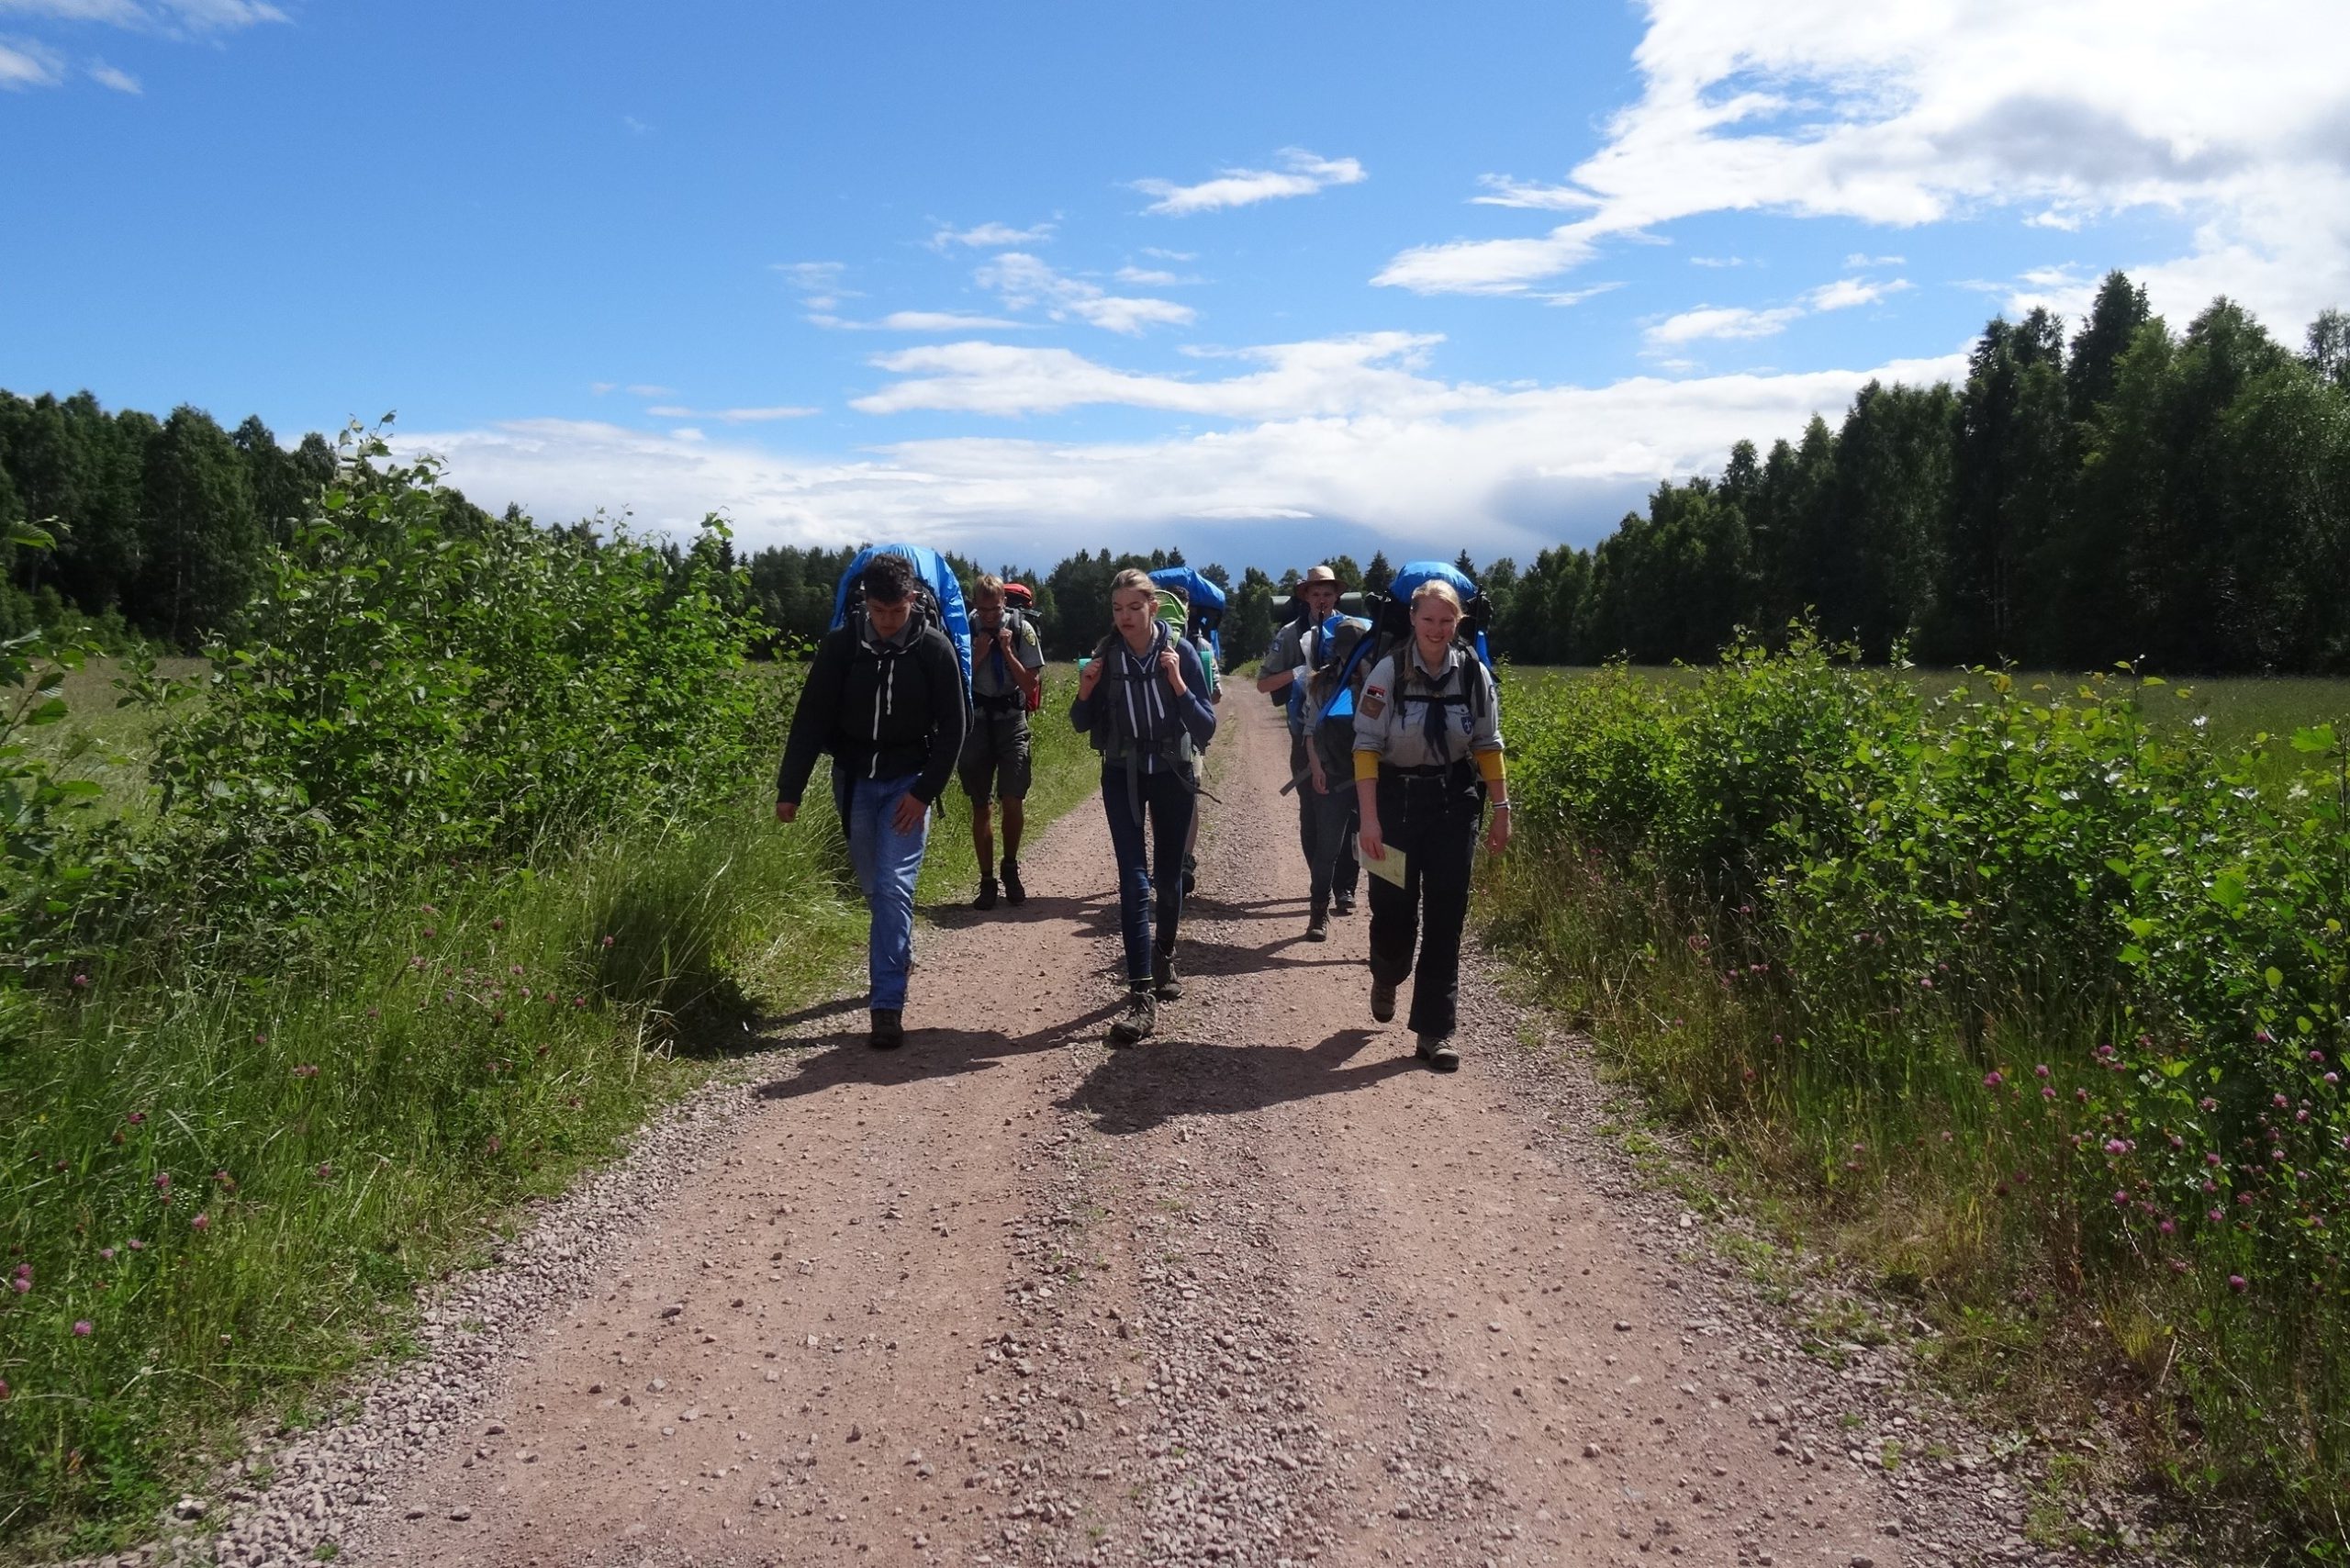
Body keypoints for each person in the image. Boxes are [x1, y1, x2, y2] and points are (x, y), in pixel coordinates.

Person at [774, 552, 968, 1049]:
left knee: (891, 886)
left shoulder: (934, 649)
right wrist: (789, 789)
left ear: (911, 599)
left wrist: (924, 793)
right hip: (856, 782)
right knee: (873, 886)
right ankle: (897, 947)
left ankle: (886, 1005)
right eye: (877, 612)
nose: (885, 623)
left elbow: (955, 729)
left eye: (894, 612)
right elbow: (811, 717)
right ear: (865, 603)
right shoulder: (842, 647)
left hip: (909, 783)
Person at [1351, 577, 1511, 1071]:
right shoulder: (1388, 670)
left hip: (1453, 803)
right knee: (1393, 912)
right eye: (1428, 620)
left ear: (1458, 621)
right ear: (1413, 619)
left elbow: (1487, 742)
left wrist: (1502, 809)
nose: (1437, 629)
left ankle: (1434, 1032)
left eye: (1447, 621)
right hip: (1394, 807)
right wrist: (1370, 822)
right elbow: (1366, 747)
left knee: (1446, 917)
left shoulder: (1473, 674)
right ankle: (1386, 973)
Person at [1070, 568, 1218, 1044]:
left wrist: (1177, 682)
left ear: (1153, 608)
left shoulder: (1184, 654)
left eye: (1134, 607)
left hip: (1173, 772)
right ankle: (1140, 997)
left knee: (1169, 879)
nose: (1125, 617)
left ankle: (1166, 955)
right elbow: (1079, 722)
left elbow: (1207, 727)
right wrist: (1086, 689)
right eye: (1118, 609)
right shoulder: (1107, 655)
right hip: (1123, 775)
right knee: (1133, 883)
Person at [1255, 565, 1361, 932]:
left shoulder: (1354, 632)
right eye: (1315, 593)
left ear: (1337, 596)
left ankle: (1343, 887)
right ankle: (1323, 878)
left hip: (1352, 739)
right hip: (1306, 738)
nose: (1321, 598)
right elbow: (1263, 685)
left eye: (1328, 593)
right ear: (1305, 597)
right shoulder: (1289, 635)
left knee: (1355, 819)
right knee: (1313, 818)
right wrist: (1299, 675)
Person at [961, 573, 1044, 910]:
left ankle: (1010, 867)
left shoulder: (1022, 629)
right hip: (977, 723)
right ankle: (986, 881)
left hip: (1012, 721)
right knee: (981, 805)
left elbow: (1029, 686)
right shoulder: (966, 628)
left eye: (994, 609)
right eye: (983, 610)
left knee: (1013, 799)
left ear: (1004, 603)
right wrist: (978, 654)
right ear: (975, 606)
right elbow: (956, 682)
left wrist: (1008, 651)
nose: (990, 616)